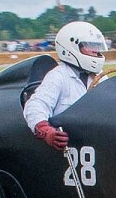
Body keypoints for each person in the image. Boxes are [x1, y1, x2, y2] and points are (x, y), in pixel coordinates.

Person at [23, 21, 108, 150]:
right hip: (69, 149)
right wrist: (47, 131)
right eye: (90, 46)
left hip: (96, 143)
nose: (96, 51)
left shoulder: (101, 77)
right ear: (71, 47)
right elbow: (35, 106)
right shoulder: (58, 76)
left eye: (97, 46)